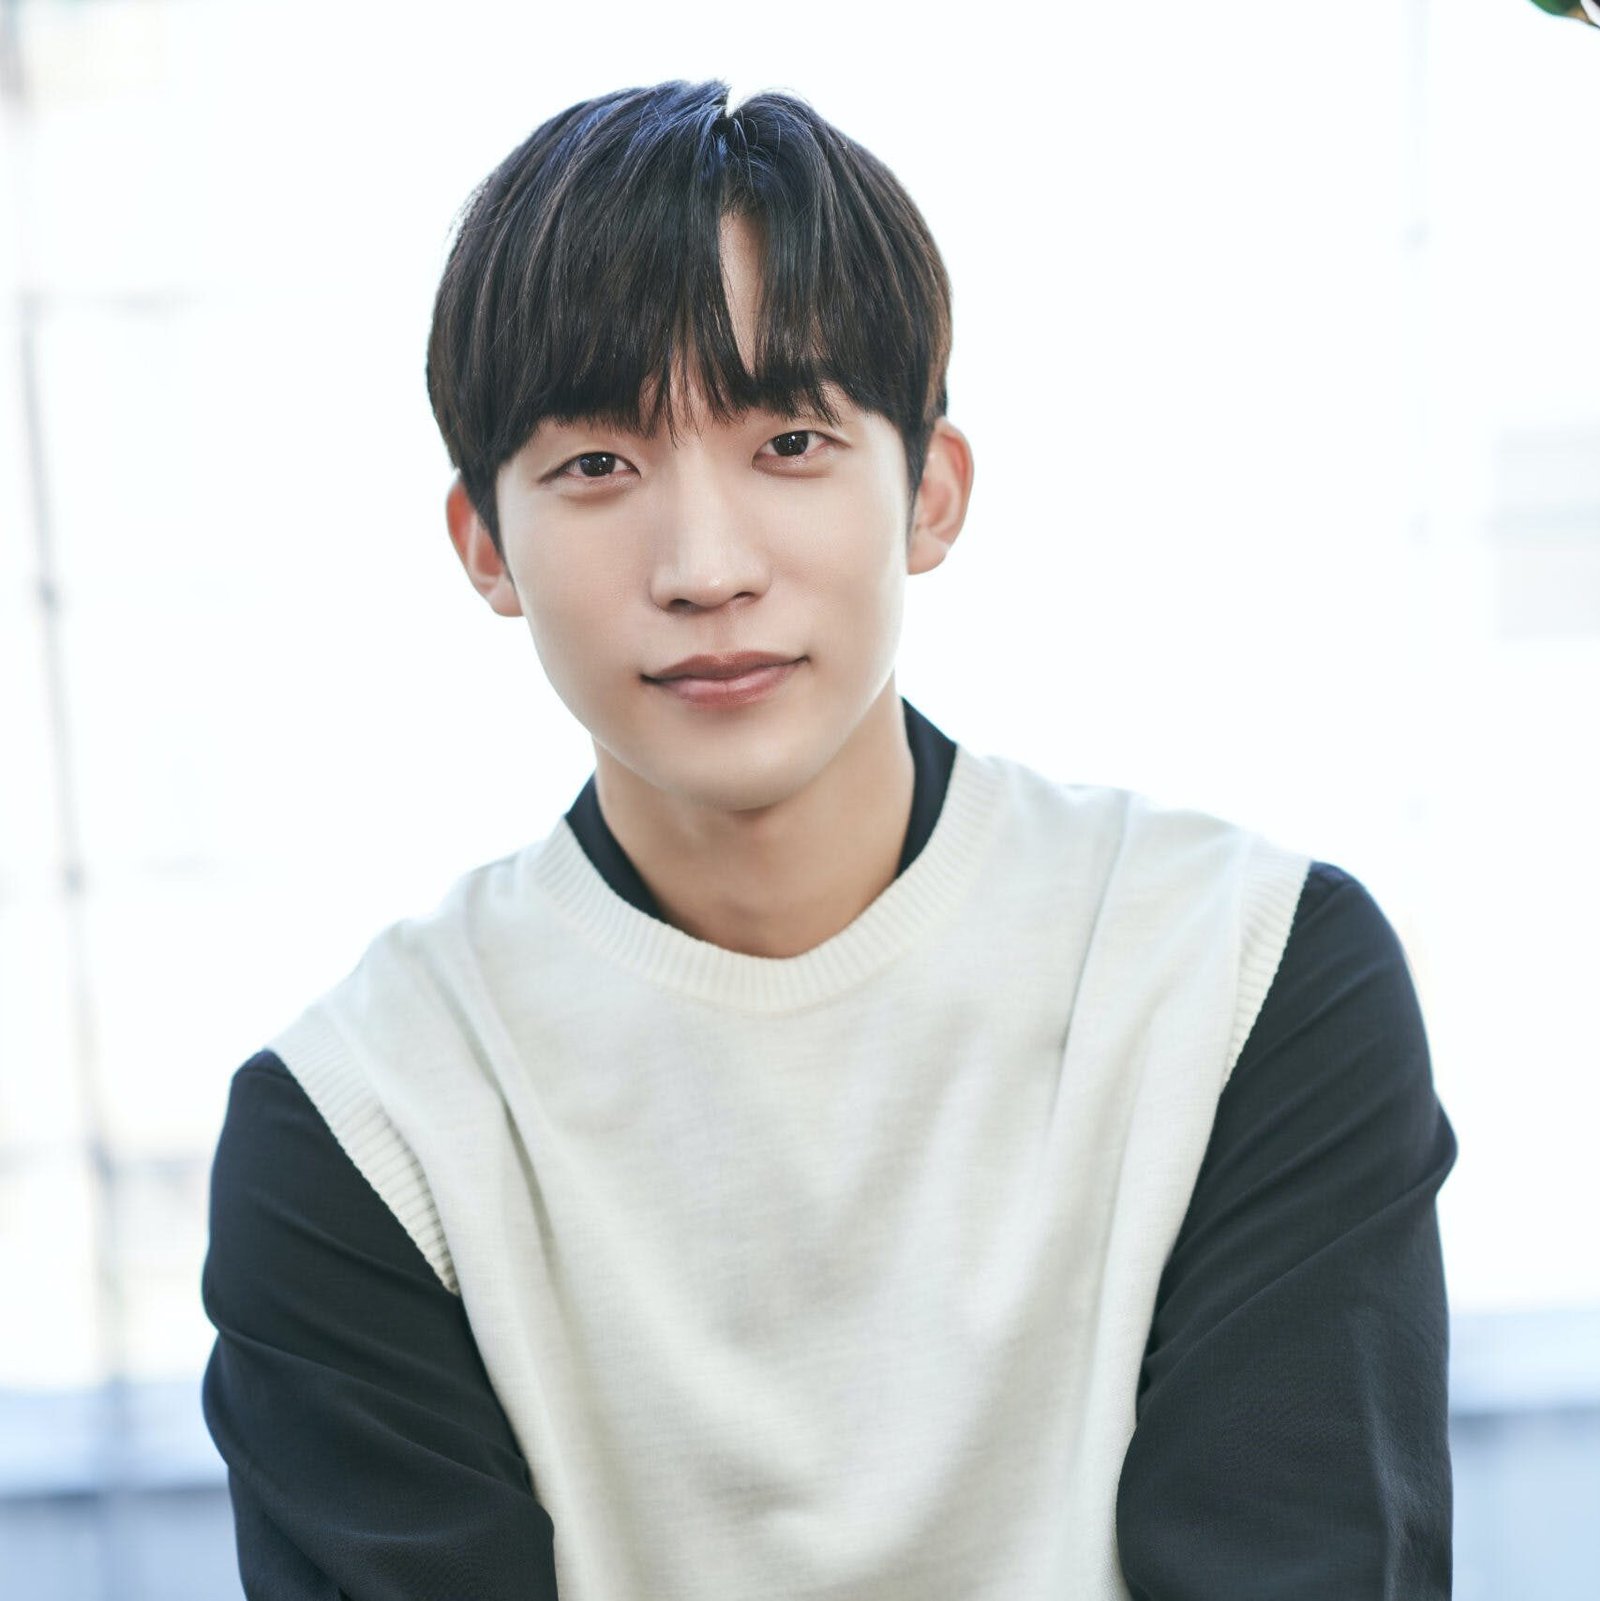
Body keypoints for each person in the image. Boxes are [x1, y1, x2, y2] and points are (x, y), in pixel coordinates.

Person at [199, 80, 1457, 1600]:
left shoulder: (1244, 978)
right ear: (484, 546)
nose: (704, 566)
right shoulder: (364, 1125)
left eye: (789, 440)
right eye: (597, 466)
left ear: (929, 493)